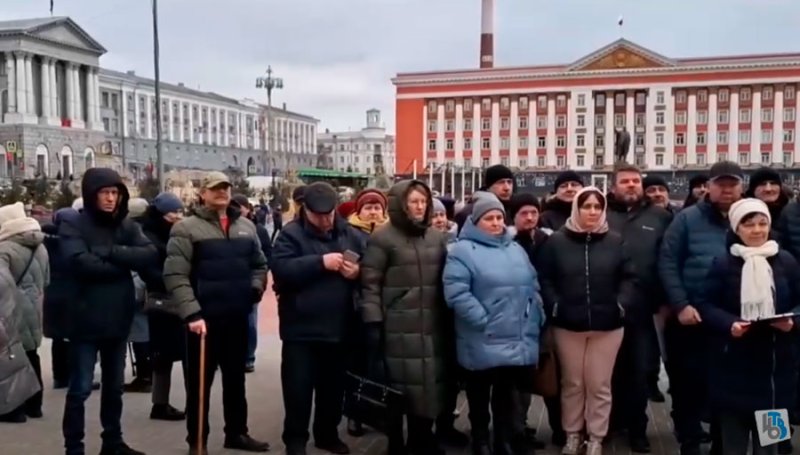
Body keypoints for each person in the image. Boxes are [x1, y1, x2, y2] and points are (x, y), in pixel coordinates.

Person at [164, 171, 269, 454]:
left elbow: (259, 264)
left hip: (237, 316)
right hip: (202, 322)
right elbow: (175, 275)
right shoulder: (186, 228)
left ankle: (237, 433)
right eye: (215, 188)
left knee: (236, 381)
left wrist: (255, 288)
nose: (221, 192)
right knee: (199, 386)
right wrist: (191, 314)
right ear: (203, 194)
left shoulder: (246, 227)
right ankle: (197, 441)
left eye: (225, 187)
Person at [60, 168, 157, 455]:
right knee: (80, 389)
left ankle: (112, 442)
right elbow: (80, 263)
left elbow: (149, 253)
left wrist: (111, 252)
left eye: (115, 193)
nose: (111, 198)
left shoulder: (124, 225)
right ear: (91, 194)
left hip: (118, 319)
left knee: (114, 388)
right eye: (105, 192)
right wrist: (123, 264)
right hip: (84, 319)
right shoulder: (74, 224)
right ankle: (74, 447)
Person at [695, 198, 800, 455]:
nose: (756, 230)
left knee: (770, 447)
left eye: (762, 223)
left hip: (776, 372)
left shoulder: (785, 261)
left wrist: (792, 321)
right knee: (734, 446)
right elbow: (705, 304)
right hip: (734, 368)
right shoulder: (723, 264)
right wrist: (728, 323)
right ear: (736, 229)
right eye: (749, 224)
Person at [538, 187, 637, 455]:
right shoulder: (557, 242)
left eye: (597, 206)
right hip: (568, 324)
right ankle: (572, 433)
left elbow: (629, 277)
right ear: (576, 209)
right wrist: (556, 305)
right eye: (586, 206)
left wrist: (620, 304)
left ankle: (596, 436)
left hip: (608, 325)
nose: (592, 212)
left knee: (599, 384)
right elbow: (545, 278)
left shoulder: (615, 241)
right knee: (572, 383)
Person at [444, 194, 544, 455]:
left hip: (513, 334)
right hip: (482, 335)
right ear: (476, 222)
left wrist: (537, 311)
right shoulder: (462, 250)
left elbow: (533, 284)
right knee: (478, 395)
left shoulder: (514, 248)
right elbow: (456, 292)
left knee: (505, 395)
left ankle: (503, 440)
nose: (496, 222)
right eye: (489, 218)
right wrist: (481, 318)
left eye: (500, 217)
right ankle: (480, 440)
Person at [271, 182, 365, 455]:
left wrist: (357, 272)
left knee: (333, 389)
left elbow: (370, 264)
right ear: (305, 210)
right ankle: (295, 441)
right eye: (318, 215)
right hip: (301, 330)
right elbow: (282, 269)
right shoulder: (290, 235)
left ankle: (327, 434)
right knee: (298, 390)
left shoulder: (350, 233)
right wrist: (320, 262)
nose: (325, 220)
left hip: (339, 328)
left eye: (329, 214)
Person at [660, 161, 744, 455]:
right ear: (708, 187)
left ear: (741, 187)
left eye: (732, 184)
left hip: (734, 320)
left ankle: (727, 442)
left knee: (728, 386)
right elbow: (668, 262)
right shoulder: (686, 219)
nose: (727, 190)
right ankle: (690, 440)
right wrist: (680, 304)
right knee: (688, 385)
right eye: (720, 184)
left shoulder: (749, 218)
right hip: (692, 318)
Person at [360, 179, 450, 455]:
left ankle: (422, 438)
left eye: (424, 201)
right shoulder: (383, 237)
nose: (420, 207)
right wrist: (373, 320)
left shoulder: (436, 237)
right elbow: (370, 282)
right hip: (397, 324)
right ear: (401, 204)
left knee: (429, 384)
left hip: (431, 323)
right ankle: (396, 442)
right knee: (399, 388)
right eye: (414, 201)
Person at [606, 164, 672, 453]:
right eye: (625, 181)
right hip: (605, 308)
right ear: (613, 187)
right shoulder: (601, 214)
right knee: (606, 373)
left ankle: (638, 428)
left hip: (644, 309)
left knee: (640, 371)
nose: (631, 185)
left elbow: (668, 260)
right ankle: (609, 423)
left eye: (636, 181)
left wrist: (666, 300)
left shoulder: (660, 217)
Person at [137, 192, 187, 421]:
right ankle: (160, 404)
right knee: (162, 356)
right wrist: (174, 279)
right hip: (163, 303)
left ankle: (189, 402)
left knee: (183, 354)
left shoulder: (178, 233)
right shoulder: (149, 237)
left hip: (180, 300)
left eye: (180, 212)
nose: (178, 216)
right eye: (173, 212)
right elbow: (149, 272)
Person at [0, 202, 49, 423]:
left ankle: (14, 408)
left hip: (11, 308)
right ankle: (35, 405)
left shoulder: (5, 250)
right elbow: (46, 279)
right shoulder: (41, 246)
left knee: (10, 356)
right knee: (32, 353)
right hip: (35, 304)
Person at [231, 193, 272, 373]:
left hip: (250, 282)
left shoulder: (258, 230)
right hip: (231, 282)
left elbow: (266, 256)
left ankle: (248, 357)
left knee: (250, 322)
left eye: (242, 207)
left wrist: (260, 278)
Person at [455, 165, 515, 233]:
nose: (507, 188)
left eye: (509, 182)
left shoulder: (516, 209)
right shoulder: (470, 212)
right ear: (489, 186)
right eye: (501, 182)